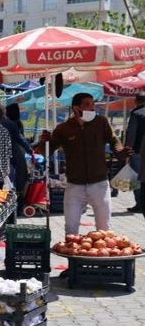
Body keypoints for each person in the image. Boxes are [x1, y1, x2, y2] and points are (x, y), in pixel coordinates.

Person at [50, 92, 128, 237]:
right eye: (87, 104)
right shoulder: (63, 129)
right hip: (74, 185)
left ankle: (102, 258)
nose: (92, 108)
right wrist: (44, 143)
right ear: (76, 108)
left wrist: (120, 151)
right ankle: (73, 259)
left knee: (104, 229)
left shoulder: (101, 122)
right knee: (71, 229)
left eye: (93, 104)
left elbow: (113, 140)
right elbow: (48, 148)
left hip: (99, 184)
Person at [4, 102, 34, 208]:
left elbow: (19, 137)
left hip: (9, 154)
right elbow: (21, 138)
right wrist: (30, 150)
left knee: (10, 179)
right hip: (17, 153)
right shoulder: (17, 123)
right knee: (19, 178)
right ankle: (18, 203)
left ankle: (11, 203)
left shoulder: (8, 123)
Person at [125, 93, 145, 213]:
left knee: (137, 179)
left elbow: (131, 134)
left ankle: (140, 204)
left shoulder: (136, 113)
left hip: (138, 151)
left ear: (136, 101)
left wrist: (127, 150)